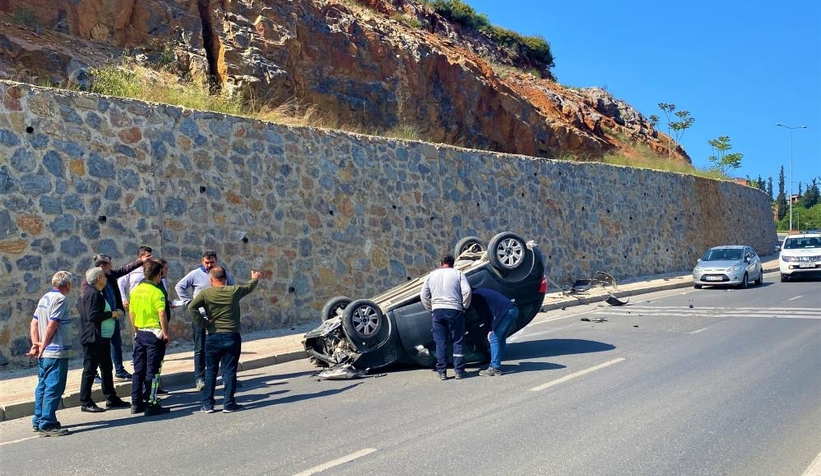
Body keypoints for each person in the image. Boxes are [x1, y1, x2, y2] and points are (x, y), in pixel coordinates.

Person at [189, 267, 260, 413]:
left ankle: (207, 404)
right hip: (231, 335)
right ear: (225, 279)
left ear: (211, 280)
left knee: (211, 371)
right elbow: (248, 287)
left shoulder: (206, 293)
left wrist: (203, 323)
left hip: (213, 335)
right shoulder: (233, 291)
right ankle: (228, 403)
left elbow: (192, 307)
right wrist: (255, 278)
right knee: (229, 371)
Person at [175, 250, 234, 390]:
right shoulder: (195, 274)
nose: (209, 265)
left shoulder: (223, 274)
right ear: (202, 261)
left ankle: (227, 377)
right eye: (206, 262)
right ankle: (199, 379)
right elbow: (179, 286)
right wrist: (189, 303)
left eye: (211, 262)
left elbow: (232, 290)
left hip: (219, 316)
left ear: (216, 261)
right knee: (200, 348)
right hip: (200, 316)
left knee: (224, 347)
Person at [78, 267, 131, 412]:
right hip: (93, 338)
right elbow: (93, 316)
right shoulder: (93, 294)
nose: (106, 278)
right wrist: (112, 314)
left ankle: (111, 398)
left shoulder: (95, 292)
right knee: (90, 369)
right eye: (104, 276)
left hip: (101, 337)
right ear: (98, 279)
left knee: (107, 367)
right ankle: (86, 402)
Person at [29, 271, 74, 437]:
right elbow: (52, 324)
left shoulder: (44, 298)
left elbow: (34, 324)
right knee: (54, 387)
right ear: (67, 285)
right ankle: (47, 423)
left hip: (45, 352)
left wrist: (36, 344)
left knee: (42, 386)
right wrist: (44, 344)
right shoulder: (60, 299)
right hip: (56, 350)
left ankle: (38, 419)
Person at [94, 253, 147, 381]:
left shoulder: (110, 275)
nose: (111, 266)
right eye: (109, 264)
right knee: (99, 347)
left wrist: (140, 261)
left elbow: (124, 269)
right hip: (102, 319)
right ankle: (94, 372)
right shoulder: (93, 280)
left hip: (113, 316)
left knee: (116, 344)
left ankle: (119, 370)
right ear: (102, 266)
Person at [128, 259, 170, 416]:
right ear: (158, 274)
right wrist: (166, 333)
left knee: (138, 370)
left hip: (140, 334)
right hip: (154, 334)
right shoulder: (157, 292)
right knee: (153, 370)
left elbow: (131, 313)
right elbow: (162, 313)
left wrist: (136, 330)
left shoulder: (136, 291)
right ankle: (151, 403)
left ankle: (136, 402)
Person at [420, 255, 471, 381]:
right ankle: (459, 371)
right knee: (457, 340)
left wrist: (431, 309)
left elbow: (423, 295)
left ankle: (442, 372)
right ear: (453, 264)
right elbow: (467, 291)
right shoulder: (458, 274)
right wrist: (464, 306)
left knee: (440, 342)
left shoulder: (431, 275)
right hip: (454, 309)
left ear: (440, 263)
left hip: (437, 310)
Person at [471, 288, 519, 376]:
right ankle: (497, 363)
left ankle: (495, 367)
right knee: (501, 338)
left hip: (506, 312)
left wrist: (490, 329)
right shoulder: (481, 291)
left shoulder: (475, 297)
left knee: (494, 338)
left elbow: (484, 315)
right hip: (513, 310)